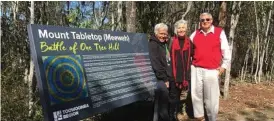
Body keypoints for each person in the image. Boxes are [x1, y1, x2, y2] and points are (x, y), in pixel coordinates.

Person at [189, 12, 231, 121]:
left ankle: (212, 118)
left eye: (207, 19)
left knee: (211, 98)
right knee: (196, 95)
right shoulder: (195, 34)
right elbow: (188, 49)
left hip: (212, 70)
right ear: (200, 22)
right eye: (202, 20)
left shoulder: (219, 32)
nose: (205, 22)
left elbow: (226, 51)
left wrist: (223, 67)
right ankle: (200, 117)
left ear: (211, 20)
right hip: (196, 68)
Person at [169, 19, 193, 121]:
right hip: (173, 75)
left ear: (186, 29)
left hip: (185, 75)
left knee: (182, 96)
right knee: (173, 98)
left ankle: (180, 112)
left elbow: (195, 56)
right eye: (179, 28)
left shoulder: (189, 42)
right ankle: (172, 116)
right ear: (176, 30)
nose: (181, 30)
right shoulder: (171, 41)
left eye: (183, 27)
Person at [149, 23, 172, 121]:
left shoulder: (163, 43)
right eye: (161, 33)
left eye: (165, 34)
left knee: (163, 103)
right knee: (161, 105)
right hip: (159, 79)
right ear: (156, 33)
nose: (163, 36)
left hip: (166, 76)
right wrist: (165, 79)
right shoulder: (153, 44)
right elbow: (156, 64)